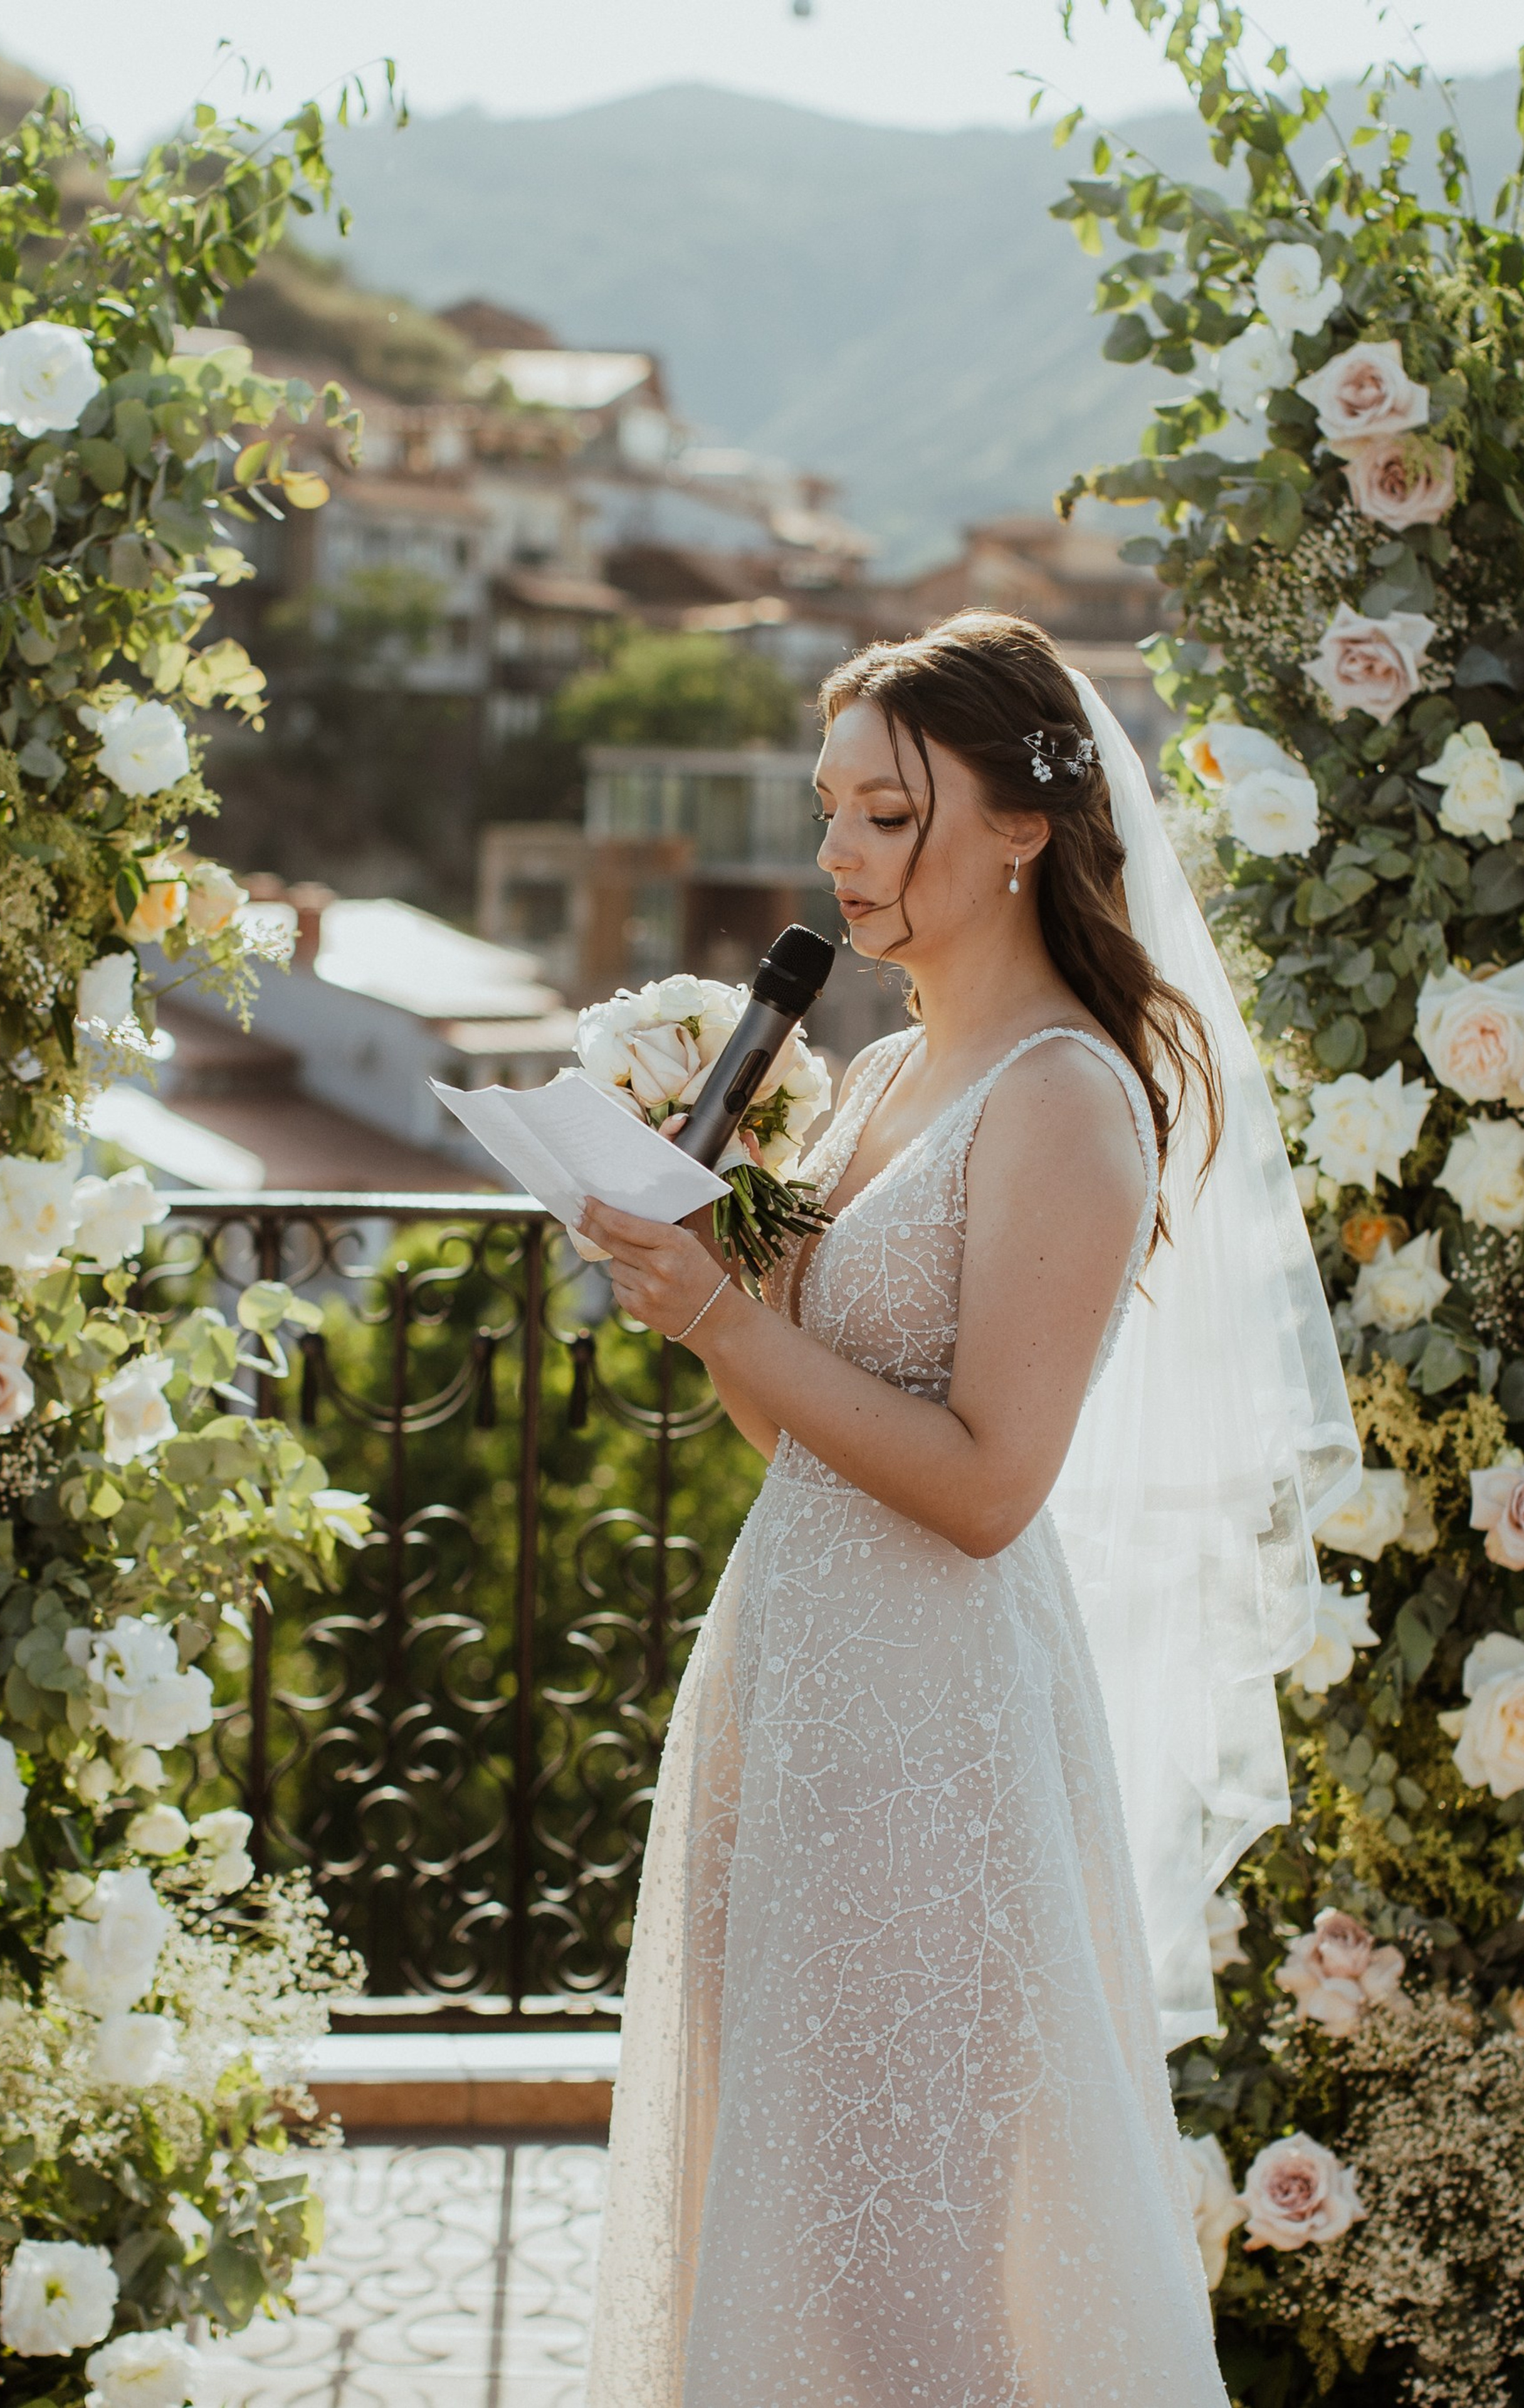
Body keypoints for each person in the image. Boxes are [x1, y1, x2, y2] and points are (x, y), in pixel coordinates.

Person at [579, 613, 1356, 2407]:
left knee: (913, 2260)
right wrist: (698, 1287)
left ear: (1021, 829)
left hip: (937, 1738)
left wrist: (719, 1310)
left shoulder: (1068, 1099)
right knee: (782, 2221)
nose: (841, 858)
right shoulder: (869, 1082)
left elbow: (996, 1486)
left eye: (888, 816)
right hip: (797, 1695)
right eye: (834, 813)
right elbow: (799, 1443)